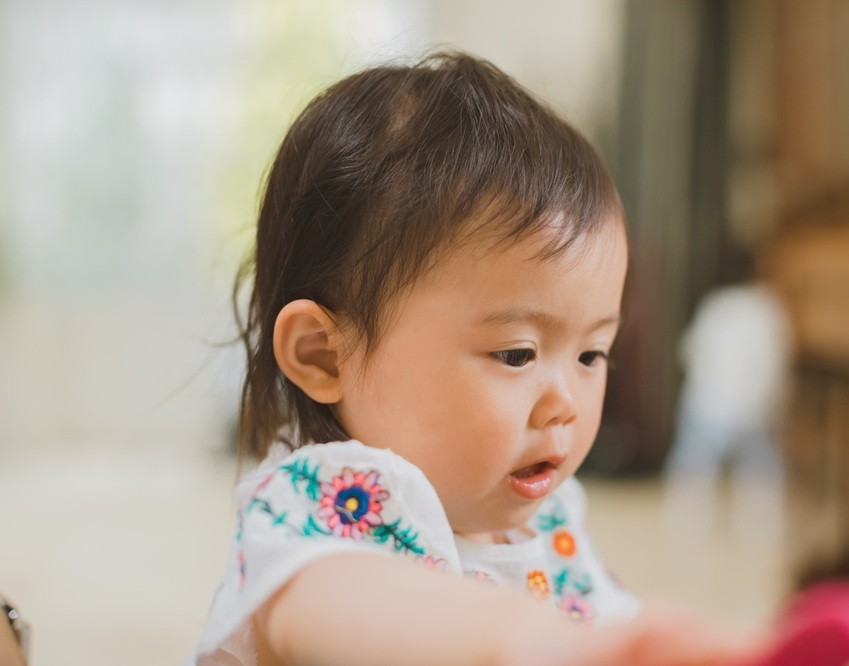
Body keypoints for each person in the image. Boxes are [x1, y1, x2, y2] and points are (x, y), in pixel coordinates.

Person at [190, 52, 751, 666]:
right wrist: (546, 646)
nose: (566, 402)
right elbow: (354, 609)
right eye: (517, 354)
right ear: (324, 355)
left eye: (592, 354)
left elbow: (621, 640)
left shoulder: (552, 527)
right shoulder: (316, 511)